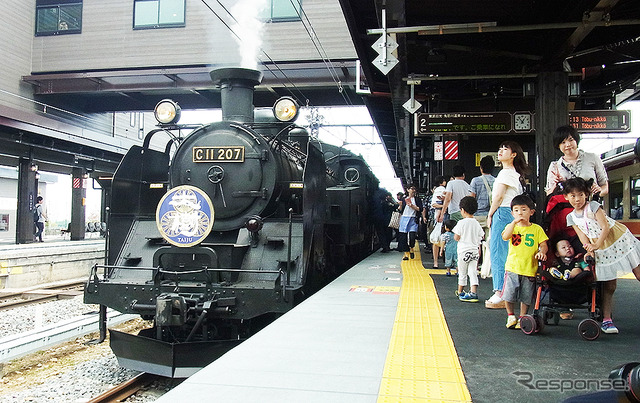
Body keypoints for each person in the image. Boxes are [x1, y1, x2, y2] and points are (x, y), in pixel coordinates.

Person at [563, 177, 640, 334]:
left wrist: (596, 245)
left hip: (618, 239)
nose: (577, 199)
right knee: (608, 284)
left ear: (586, 194)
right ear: (566, 197)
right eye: (572, 195)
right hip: (600, 247)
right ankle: (607, 320)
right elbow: (582, 237)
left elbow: (605, 227)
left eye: (580, 194)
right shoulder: (570, 217)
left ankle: (606, 318)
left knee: (638, 274)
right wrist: (589, 250)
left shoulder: (593, 206)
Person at [544, 124, 609, 254]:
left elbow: (605, 187)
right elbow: (550, 194)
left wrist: (598, 191)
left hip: (593, 212)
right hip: (569, 215)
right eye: (563, 142)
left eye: (570, 140)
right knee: (579, 249)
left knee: (601, 249)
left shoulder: (592, 158)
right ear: (558, 145)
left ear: (576, 140)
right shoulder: (555, 166)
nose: (567, 144)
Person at [486, 141, 531, 309]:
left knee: (498, 253)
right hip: (512, 214)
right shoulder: (516, 174)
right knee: (509, 253)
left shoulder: (505, 174)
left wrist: (491, 214)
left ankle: (500, 292)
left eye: (505, 149)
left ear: (514, 155)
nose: (501, 151)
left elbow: (498, 197)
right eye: (500, 148)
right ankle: (508, 292)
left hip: (502, 212)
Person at [501, 194, 549, 329]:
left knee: (526, 296)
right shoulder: (512, 227)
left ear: (531, 212)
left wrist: (542, 252)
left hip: (530, 268)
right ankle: (510, 315)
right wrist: (513, 223)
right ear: (512, 213)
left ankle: (523, 317)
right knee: (509, 294)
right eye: (516, 210)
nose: (519, 213)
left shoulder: (536, 229)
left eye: (523, 209)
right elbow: (505, 237)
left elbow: (544, 244)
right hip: (512, 267)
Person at [453, 196, 485, 302]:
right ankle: (473, 292)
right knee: (473, 271)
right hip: (474, 251)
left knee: (462, 272)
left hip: (463, 251)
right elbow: (482, 235)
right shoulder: (476, 222)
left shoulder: (461, 223)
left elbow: (456, 237)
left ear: (462, 210)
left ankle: (460, 291)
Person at [470, 155, 496, 240]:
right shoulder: (496, 181)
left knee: (477, 241)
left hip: (477, 215)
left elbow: (472, 199)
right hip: (491, 215)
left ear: (481, 168)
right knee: (489, 241)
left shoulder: (475, 180)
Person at [397, 184, 423, 261]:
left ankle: (411, 247)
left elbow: (420, 209)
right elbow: (400, 210)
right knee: (403, 237)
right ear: (407, 190)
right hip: (404, 218)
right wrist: (400, 206)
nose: (413, 190)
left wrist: (412, 206)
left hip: (413, 219)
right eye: (411, 188)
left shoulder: (417, 199)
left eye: (414, 189)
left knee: (412, 236)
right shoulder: (403, 198)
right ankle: (406, 254)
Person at [430, 176, 447, 268]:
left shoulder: (436, 190)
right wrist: (444, 207)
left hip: (437, 217)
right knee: (444, 239)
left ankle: (435, 262)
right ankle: (447, 262)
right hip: (442, 217)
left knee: (436, 240)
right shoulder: (441, 189)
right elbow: (436, 204)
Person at [373, 188, 396, 253]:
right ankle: (387, 246)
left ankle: (385, 247)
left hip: (379, 220)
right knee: (388, 234)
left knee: (381, 234)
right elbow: (396, 206)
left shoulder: (377, 202)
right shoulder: (389, 203)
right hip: (388, 221)